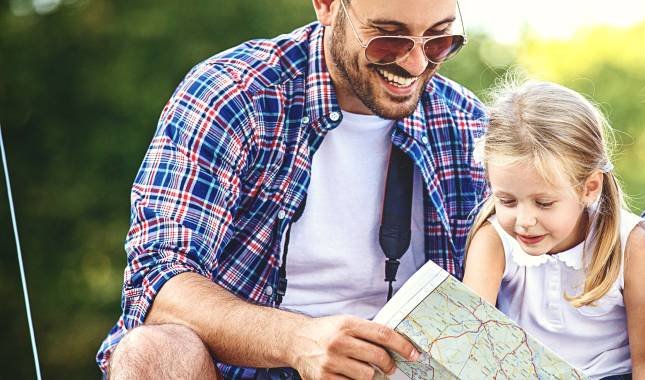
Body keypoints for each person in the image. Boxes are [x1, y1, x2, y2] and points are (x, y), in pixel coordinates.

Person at [96, 0, 489, 378]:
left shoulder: (469, 127)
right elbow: (159, 281)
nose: (416, 63)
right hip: (234, 369)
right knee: (152, 351)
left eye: (439, 41)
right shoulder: (235, 93)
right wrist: (299, 340)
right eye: (388, 38)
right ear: (327, 6)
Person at [461, 80, 645, 380]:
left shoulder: (630, 243)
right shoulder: (494, 241)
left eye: (543, 203)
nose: (524, 220)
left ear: (589, 188)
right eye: (507, 200)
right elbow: (470, 339)